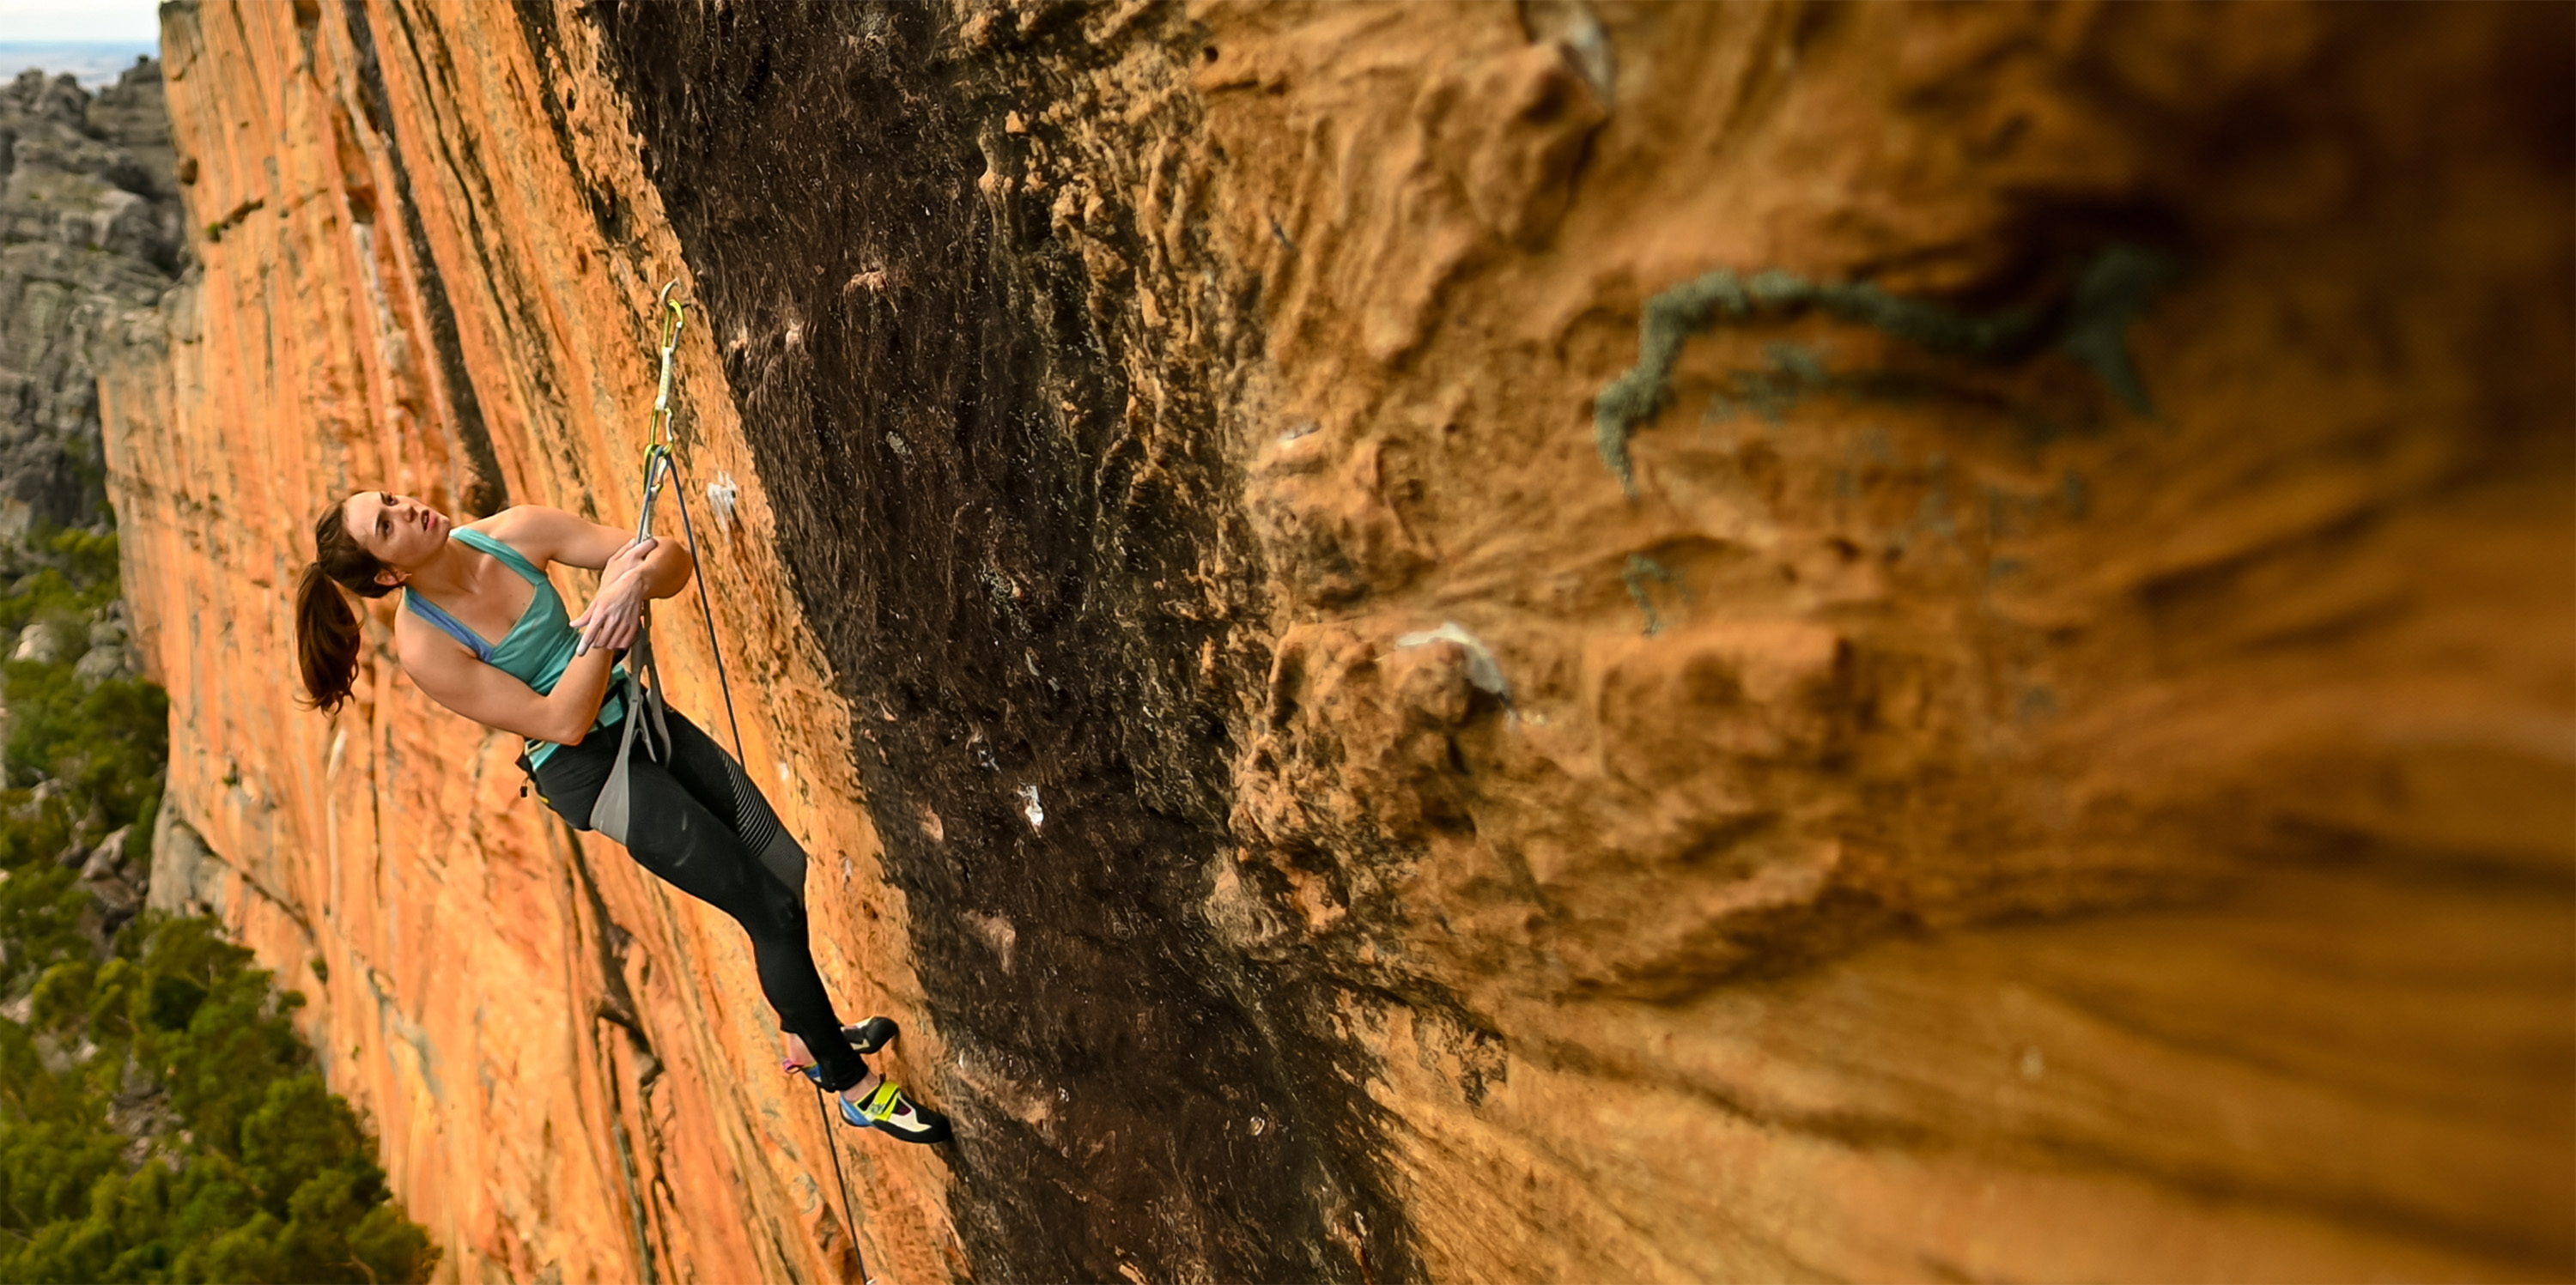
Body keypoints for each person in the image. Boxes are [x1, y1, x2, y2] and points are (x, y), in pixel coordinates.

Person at [291, 491, 948, 1144]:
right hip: (592, 771)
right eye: (387, 523)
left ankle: (809, 1033)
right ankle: (854, 1086)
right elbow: (560, 721)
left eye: (390, 498)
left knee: (784, 864)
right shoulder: (427, 644)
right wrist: (608, 613)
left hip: (634, 713)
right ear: (389, 575)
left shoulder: (513, 532)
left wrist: (632, 578)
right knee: (769, 910)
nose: (407, 508)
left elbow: (671, 560)